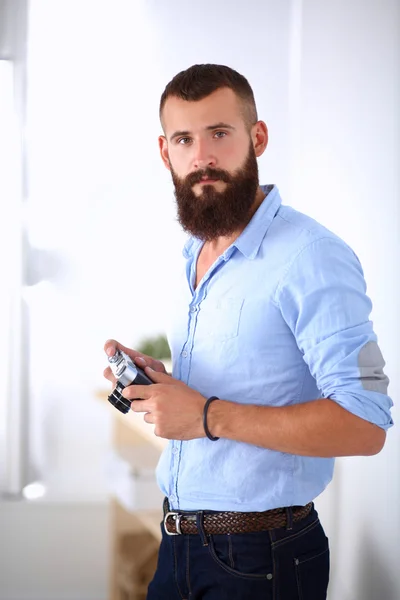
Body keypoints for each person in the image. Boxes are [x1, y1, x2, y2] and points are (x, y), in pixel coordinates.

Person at [104, 64, 393, 600]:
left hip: (263, 561)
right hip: (178, 546)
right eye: (184, 139)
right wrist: (165, 385)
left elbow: (367, 422)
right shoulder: (193, 252)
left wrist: (207, 415)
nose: (202, 156)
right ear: (166, 153)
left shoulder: (314, 256)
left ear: (256, 138)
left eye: (219, 133)